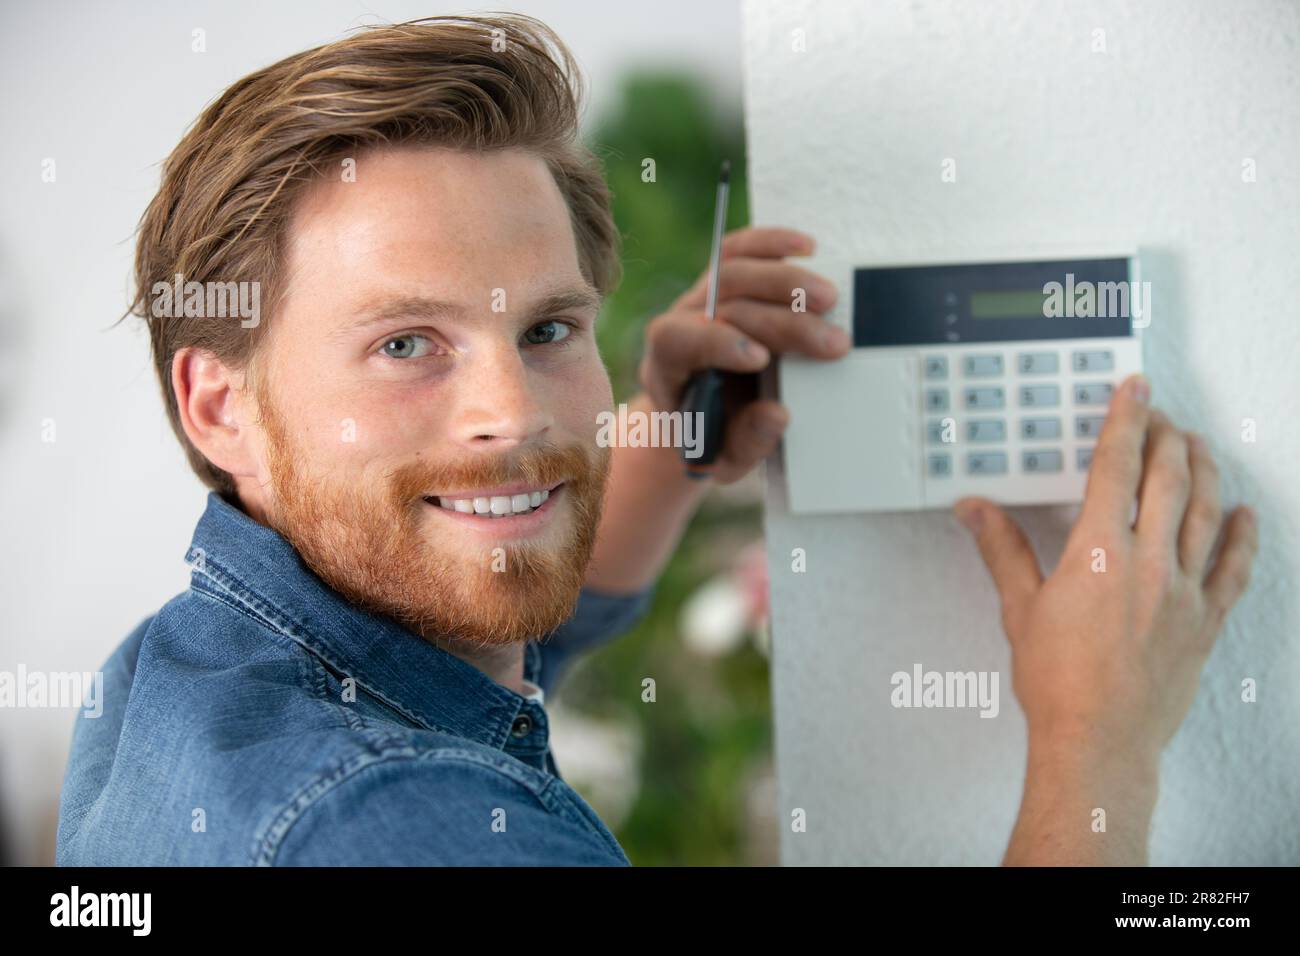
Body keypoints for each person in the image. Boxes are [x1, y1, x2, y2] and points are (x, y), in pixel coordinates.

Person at [55, 14, 1257, 866]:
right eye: (406, 344)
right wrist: (1097, 739)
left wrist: (671, 447)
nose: (514, 413)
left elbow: (483, 624)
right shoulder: (383, 822)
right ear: (218, 406)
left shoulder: (184, 673)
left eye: (547, 327)